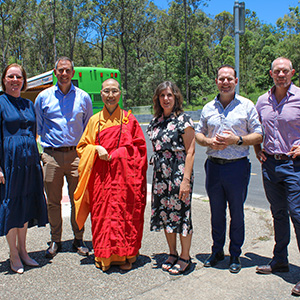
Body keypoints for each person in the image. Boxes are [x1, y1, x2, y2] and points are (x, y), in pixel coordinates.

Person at [74, 78, 147, 271]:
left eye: (114, 91)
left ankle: (126, 255)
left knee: (125, 215)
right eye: (106, 91)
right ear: (101, 94)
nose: (110, 95)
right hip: (102, 180)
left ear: (120, 94)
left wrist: (120, 154)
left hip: (125, 179)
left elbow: (140, 149)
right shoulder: (94, 121)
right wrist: (96, 148)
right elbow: (82, 147)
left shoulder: (129, 120)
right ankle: (103, 257)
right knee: (102, 215)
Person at [195, 65, 263, 273]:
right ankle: (217, 251)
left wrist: (238, 140)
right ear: (216, 81)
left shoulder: (247, 106)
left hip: (237, 168)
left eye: (229, 79)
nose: (225, 82)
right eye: (221, 79)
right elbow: (198, 134)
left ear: (236, 81)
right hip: (214, 167)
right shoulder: (208, 108)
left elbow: (259, 135)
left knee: (237, 213)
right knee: (216, 213)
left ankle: (235, 254)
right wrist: (208, 142)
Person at [34, 57, 93, 259]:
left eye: (68, 70)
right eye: (61, 70)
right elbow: (39, 128)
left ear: (73, 72)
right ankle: (55, 240)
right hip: (52, 156)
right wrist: (44, 153)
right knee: (53, 201)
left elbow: (88, 128)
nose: (64, 74)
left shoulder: (84, 98)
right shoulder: (43, 97)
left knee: (79, 199)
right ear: (55, 72)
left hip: (77, 155)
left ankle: (79, 238)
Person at [254, 57, 300, 295]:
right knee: (279, 213)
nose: (281, 74)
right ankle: (280, 260)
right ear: (271, 73)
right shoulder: (262, 101)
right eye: (277, 71)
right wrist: (257, 149)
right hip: (270, 164)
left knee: (298, 214)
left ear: (292, 72)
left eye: (285, 71)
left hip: (295, 165)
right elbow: (256, 129)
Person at [0, 63, 48, 274]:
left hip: (29, 163)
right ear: (4, 80)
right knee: (12, 207)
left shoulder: (28, 104)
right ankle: (13, 254)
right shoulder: (0, 102)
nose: (14, 80)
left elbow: (34, 133)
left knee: (26, 204)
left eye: (18, 76)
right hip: (9, 164)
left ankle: (24, 251)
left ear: (23, 80)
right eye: (10, 76)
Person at [147, 81, 195, 275]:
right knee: (166, 213)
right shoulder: (155, 122)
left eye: (169, 95)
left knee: (181, 214)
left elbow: (191, 151)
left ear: (176, 97)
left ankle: (185, 256)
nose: (166, 99)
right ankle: (172, 253)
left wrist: (185, 180)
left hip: (178, 173)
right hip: (161, 175)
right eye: (162, 95)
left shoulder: (184, 120)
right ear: (158, 99)